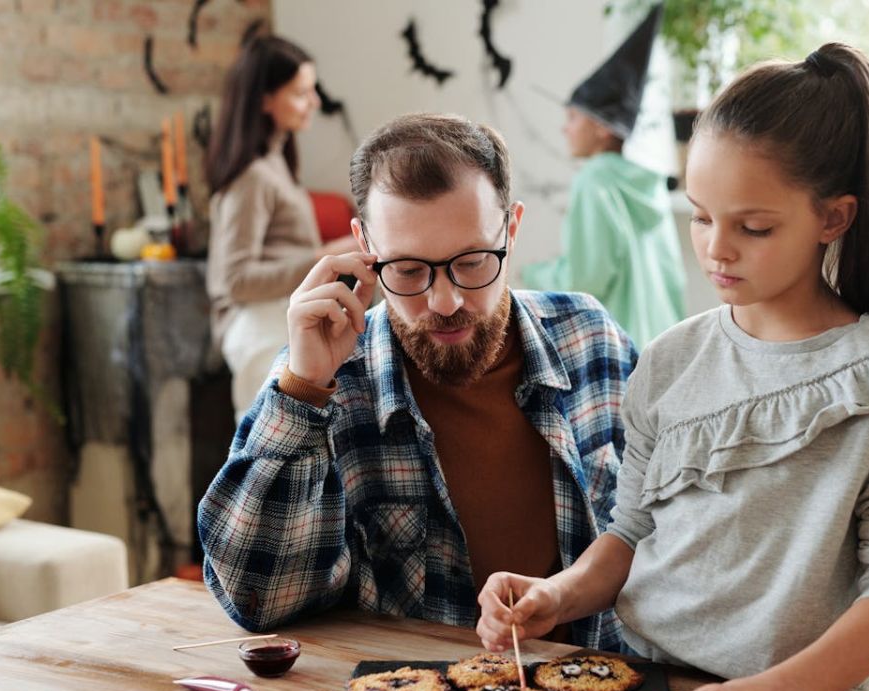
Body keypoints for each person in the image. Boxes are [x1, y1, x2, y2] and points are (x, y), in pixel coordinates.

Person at [477, 43, 869, 691]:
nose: (716, 250)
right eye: (701, 216)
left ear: (833, 218)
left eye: (753, 227)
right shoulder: (673, 358)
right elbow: (631, 529)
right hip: (642, 690)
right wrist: (564, 592)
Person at [198, 113, 637, 652]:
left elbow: (663, 535)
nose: (445, 302)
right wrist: (304, 389)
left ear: (512, 230)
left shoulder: (593, 342)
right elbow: (258, 600)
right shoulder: (328, 380)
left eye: (474, 262)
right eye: (407, 271)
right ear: (364, 246)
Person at [205, 32, 358, 419]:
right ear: (264, 99)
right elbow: (234, 280)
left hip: (278, 323)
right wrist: (323, 256)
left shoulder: (277, 166)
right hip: (259, 330)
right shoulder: (254, 177)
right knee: (271, 445)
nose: (315, 102)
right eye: (301, 92)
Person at [522, 4, 687, 347]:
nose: (564, 129)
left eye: (572, 118)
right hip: (663, 343)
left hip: (617, 348)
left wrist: (533, 273)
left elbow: (585, 281)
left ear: (599, 128)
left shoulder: (594, 180)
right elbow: (673, 280)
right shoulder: (650, 183)